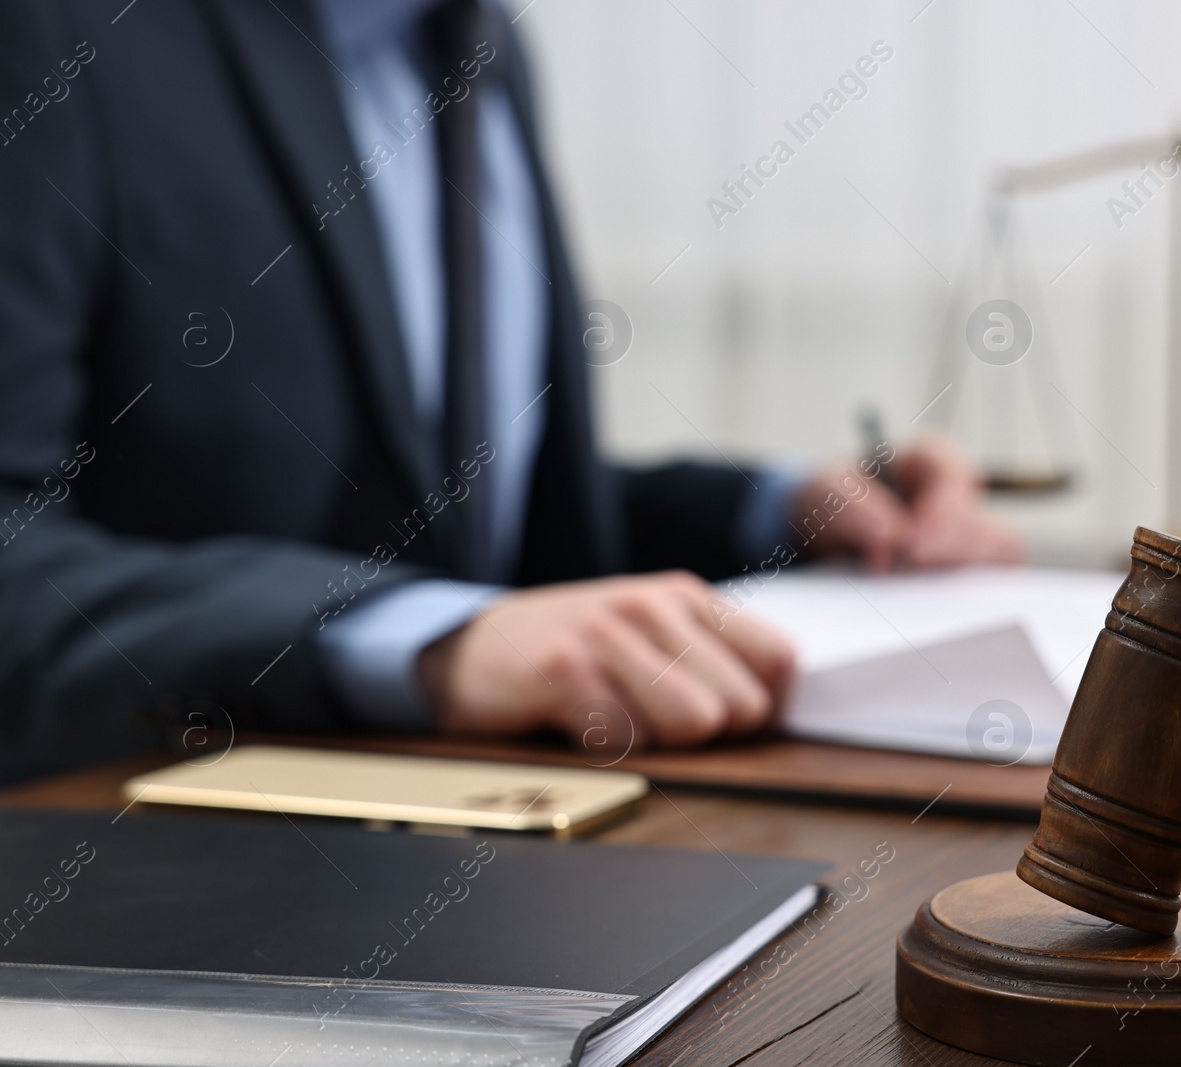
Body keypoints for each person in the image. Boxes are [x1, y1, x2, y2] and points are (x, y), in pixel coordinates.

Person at [0, 0, 1020, 784]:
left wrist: (794, 505)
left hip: (485, 828)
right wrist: (430, 643)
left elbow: (484, 515)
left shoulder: (481, 51)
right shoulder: (59, 35)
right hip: (150, 864)